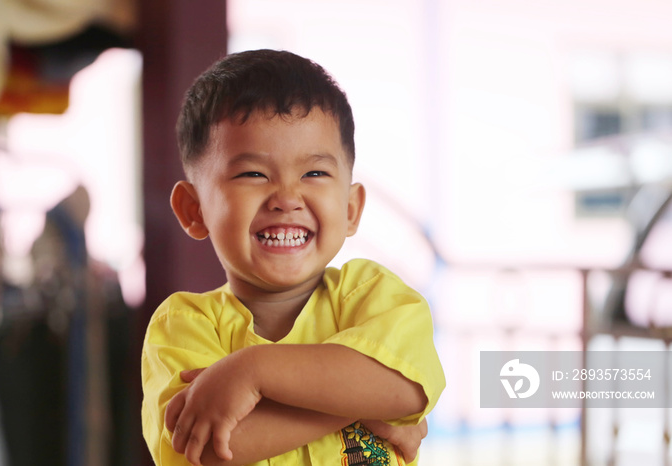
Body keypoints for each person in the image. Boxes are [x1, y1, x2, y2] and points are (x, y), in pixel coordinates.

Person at [141, 49, 445, 466]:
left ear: (351, 208)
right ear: (194, 210)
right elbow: (208, 451)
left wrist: (253, 372)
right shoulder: (184, 325)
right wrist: (361, 402)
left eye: (314, 173)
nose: (286, 198)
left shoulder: (370, 295)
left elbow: (407, 386)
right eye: (253, 174)